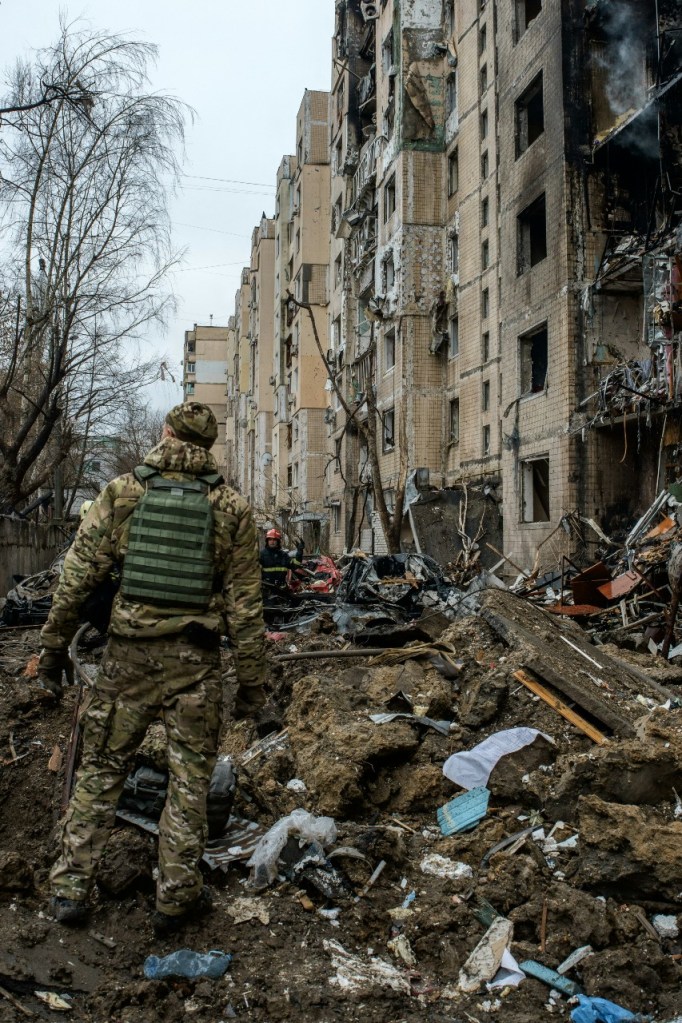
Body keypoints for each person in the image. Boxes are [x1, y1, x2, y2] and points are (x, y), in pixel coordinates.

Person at [38, 401, 266, 936]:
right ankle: (175, 900)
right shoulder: (231, 508)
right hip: (196, 668)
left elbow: (75, 579)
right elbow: (246, 610)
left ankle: (70, 890)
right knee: (189, 784)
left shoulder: (123, 493)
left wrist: (52, 648)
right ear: (208, 446)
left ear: (165, 434)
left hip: (127, 663)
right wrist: (253, 689)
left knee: (101, 770)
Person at [259, 528, 303, 598]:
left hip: (282, 589)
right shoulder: (261, 555)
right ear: (267, 541)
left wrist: (299, 553)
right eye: (270, 539)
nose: (272, 542)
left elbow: (295, 566)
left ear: (278, 541)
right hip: (267, 590)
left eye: (274, 540)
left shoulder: (283, 555)